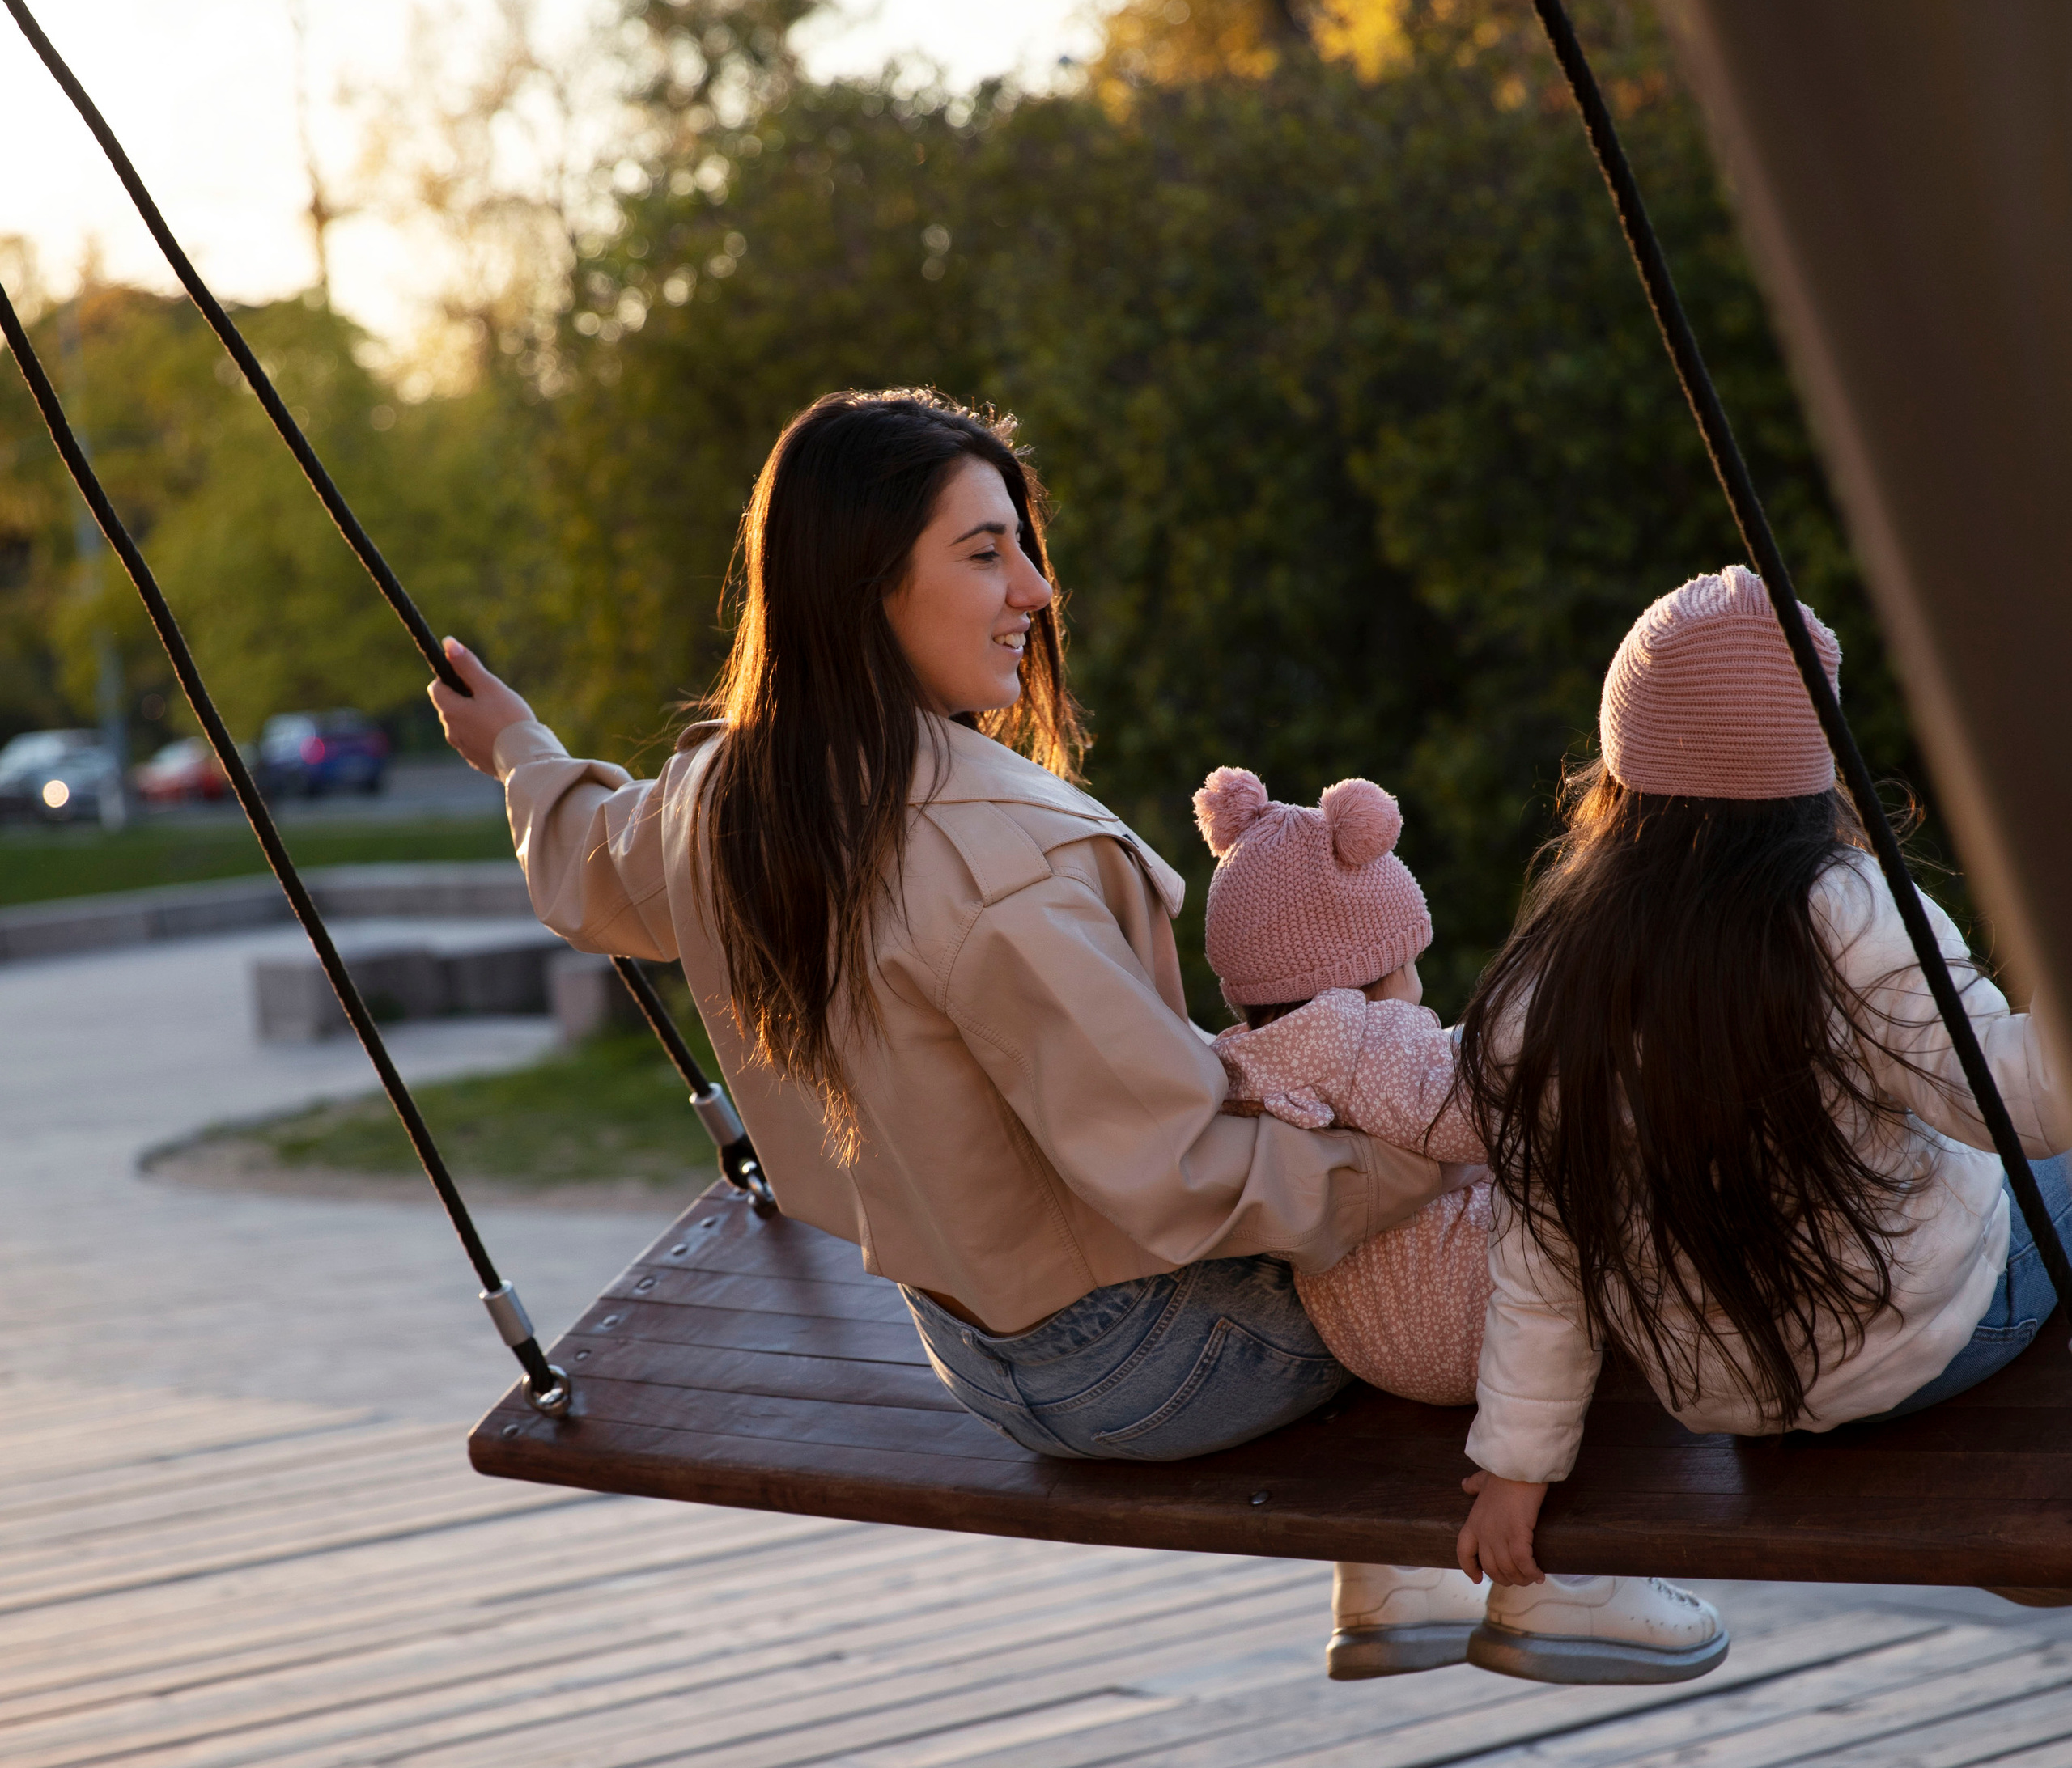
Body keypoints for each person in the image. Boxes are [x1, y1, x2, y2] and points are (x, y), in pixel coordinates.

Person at [428, 387, 1447, 1470]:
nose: (1035, 590)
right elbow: (1183, 1169)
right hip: (1147, 1360)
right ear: (864, 586)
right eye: (983, 554)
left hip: (974, 1351)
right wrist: (1426, 1162)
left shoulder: (729, 794)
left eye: (1023, 548)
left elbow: (587, 860)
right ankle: (1545, 1590)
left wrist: (517, 750)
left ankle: (1398, 1583)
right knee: (1517, 1234)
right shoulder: (994, 861)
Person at [1454, 566, 2071, 1683]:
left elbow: (1541, 1253)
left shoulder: (1549, 981)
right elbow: (2027, 1109)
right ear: (1810, 765)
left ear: (1621, 768)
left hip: (1733, 1399)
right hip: (1929, 1340)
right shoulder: (1844, 910)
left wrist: (1515, 1465)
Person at [1198, 762, 1709, 1685]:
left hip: (1361, 1332)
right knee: (1602, 1227)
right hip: (1458, 1315)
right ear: (1375, 961)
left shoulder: (1244, 1063)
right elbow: (1496, 1119)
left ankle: (1390, 1582)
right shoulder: (1369, 1038)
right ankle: (1583, 1580)